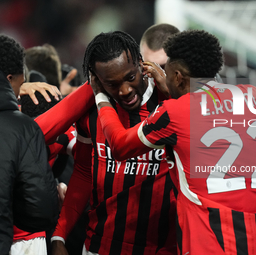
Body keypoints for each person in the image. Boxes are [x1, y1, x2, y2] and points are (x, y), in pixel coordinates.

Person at [90, 30, 256, 255]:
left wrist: (100, 96)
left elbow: (121, 145)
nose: (164, 76)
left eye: (168, 72)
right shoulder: (254, 96)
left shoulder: (174, 112)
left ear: (179, 77)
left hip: (212, 242)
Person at [51, 31, 177, 255]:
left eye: (130, 78)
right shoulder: (90, 109)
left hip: (161, 249)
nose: (125, 91)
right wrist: (59, 234)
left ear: (141, 64)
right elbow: (83, 171)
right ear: (97, 81)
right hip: (99, 247)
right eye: (112, 83)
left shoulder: (171, 105)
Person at [0, 34, 59, 255]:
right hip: (18, 242)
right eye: (20, 83)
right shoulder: (23, 128)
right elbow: (40, 209)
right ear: (9, 78)